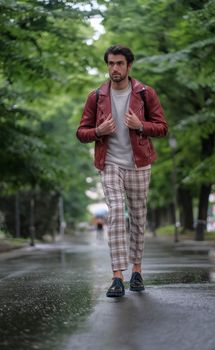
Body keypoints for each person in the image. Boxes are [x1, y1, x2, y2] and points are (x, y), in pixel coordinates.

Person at [76, 45, 168, 297]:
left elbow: (162, 127)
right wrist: (98, 131)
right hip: (109, 163)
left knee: (138, 216)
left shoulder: (145, 93)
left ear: (129, 66)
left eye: (119, 63)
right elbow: (81, 132)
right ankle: (117, 276)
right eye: (110, 63)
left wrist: (141, 125)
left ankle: (136, 272)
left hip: (139, 163)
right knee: (116, 211)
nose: (114, 68)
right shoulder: (96, 97)